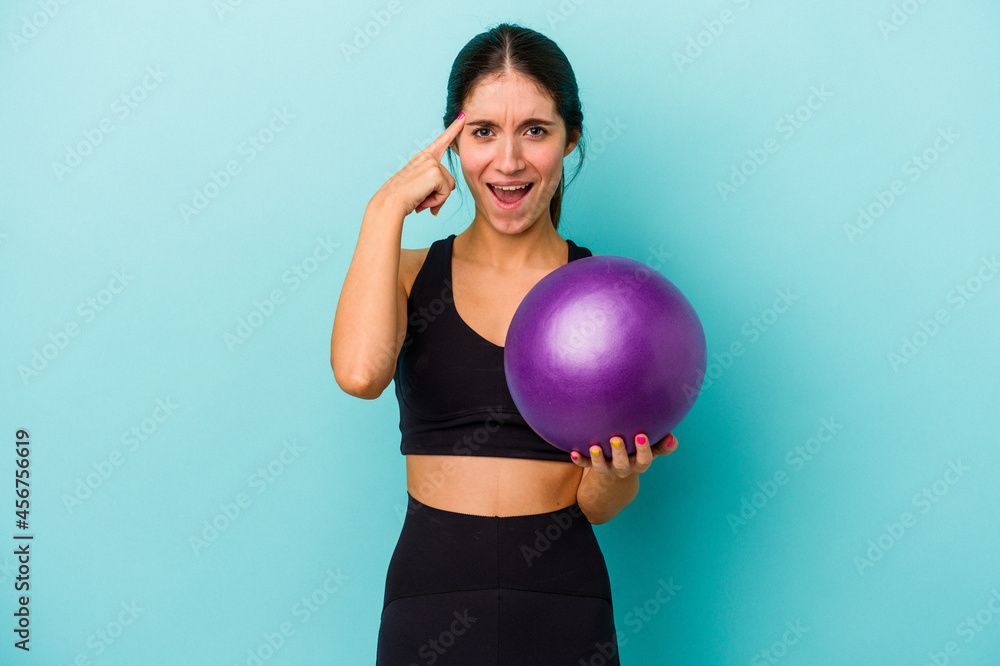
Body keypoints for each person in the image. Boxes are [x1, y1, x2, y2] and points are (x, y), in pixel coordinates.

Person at [330, 22, 679, 665]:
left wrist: (619, 474)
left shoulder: (607, 301)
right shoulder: (407, 273)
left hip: (562, 600)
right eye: (484, 131)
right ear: (453, 140)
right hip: (429, 596)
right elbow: (359, 373)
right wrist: (384, 211)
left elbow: (598, 506)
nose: (510, 161)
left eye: (536, 131)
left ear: (571, 137)